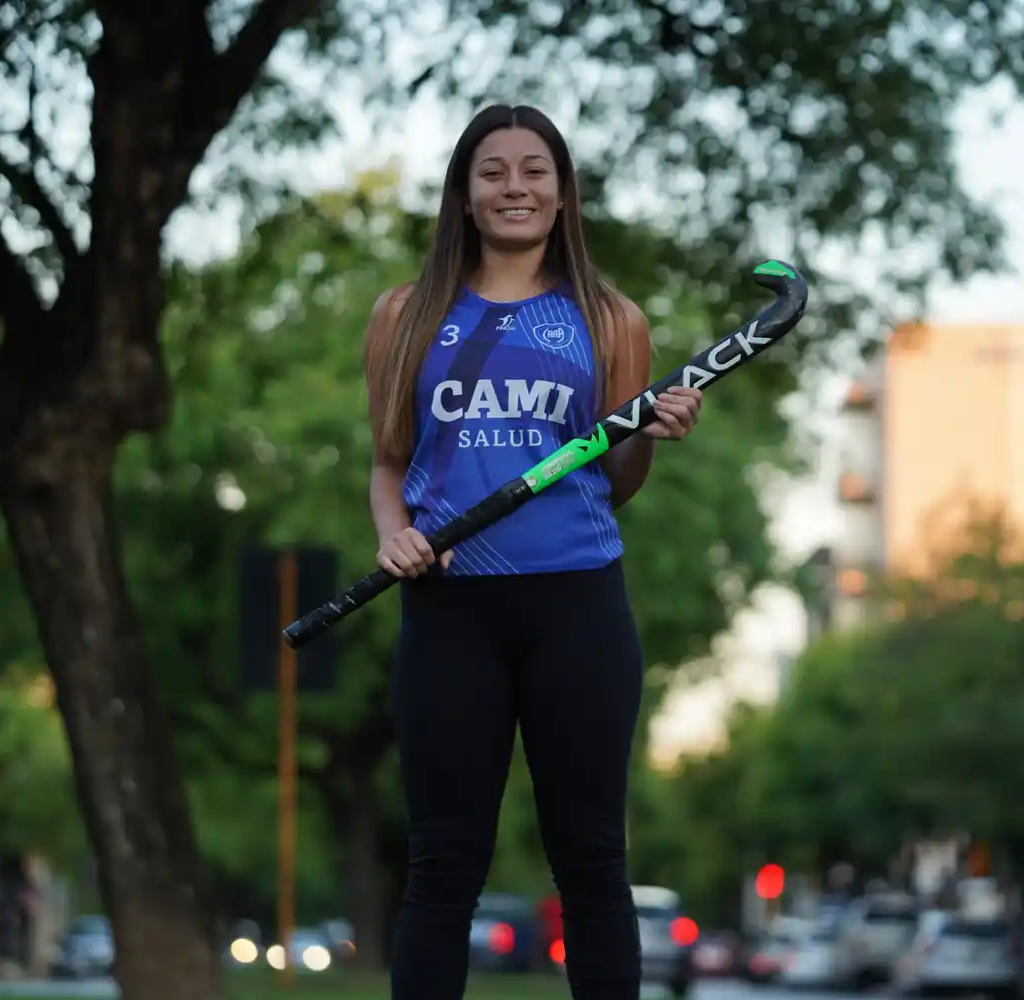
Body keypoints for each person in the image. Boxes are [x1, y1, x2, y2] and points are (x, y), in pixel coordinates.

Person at [362, 103, 704, 1000]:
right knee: (443, 868)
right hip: (449, 607)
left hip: (579, 605)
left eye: (534, 169)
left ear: (561, 194)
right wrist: (392, 534)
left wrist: (650, 434)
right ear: (465, 195)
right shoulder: (404, 315)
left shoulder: (609, 317)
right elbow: (389, 464)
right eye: (493, 170)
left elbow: (613, 476)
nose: (514, 185)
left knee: (591, 863)